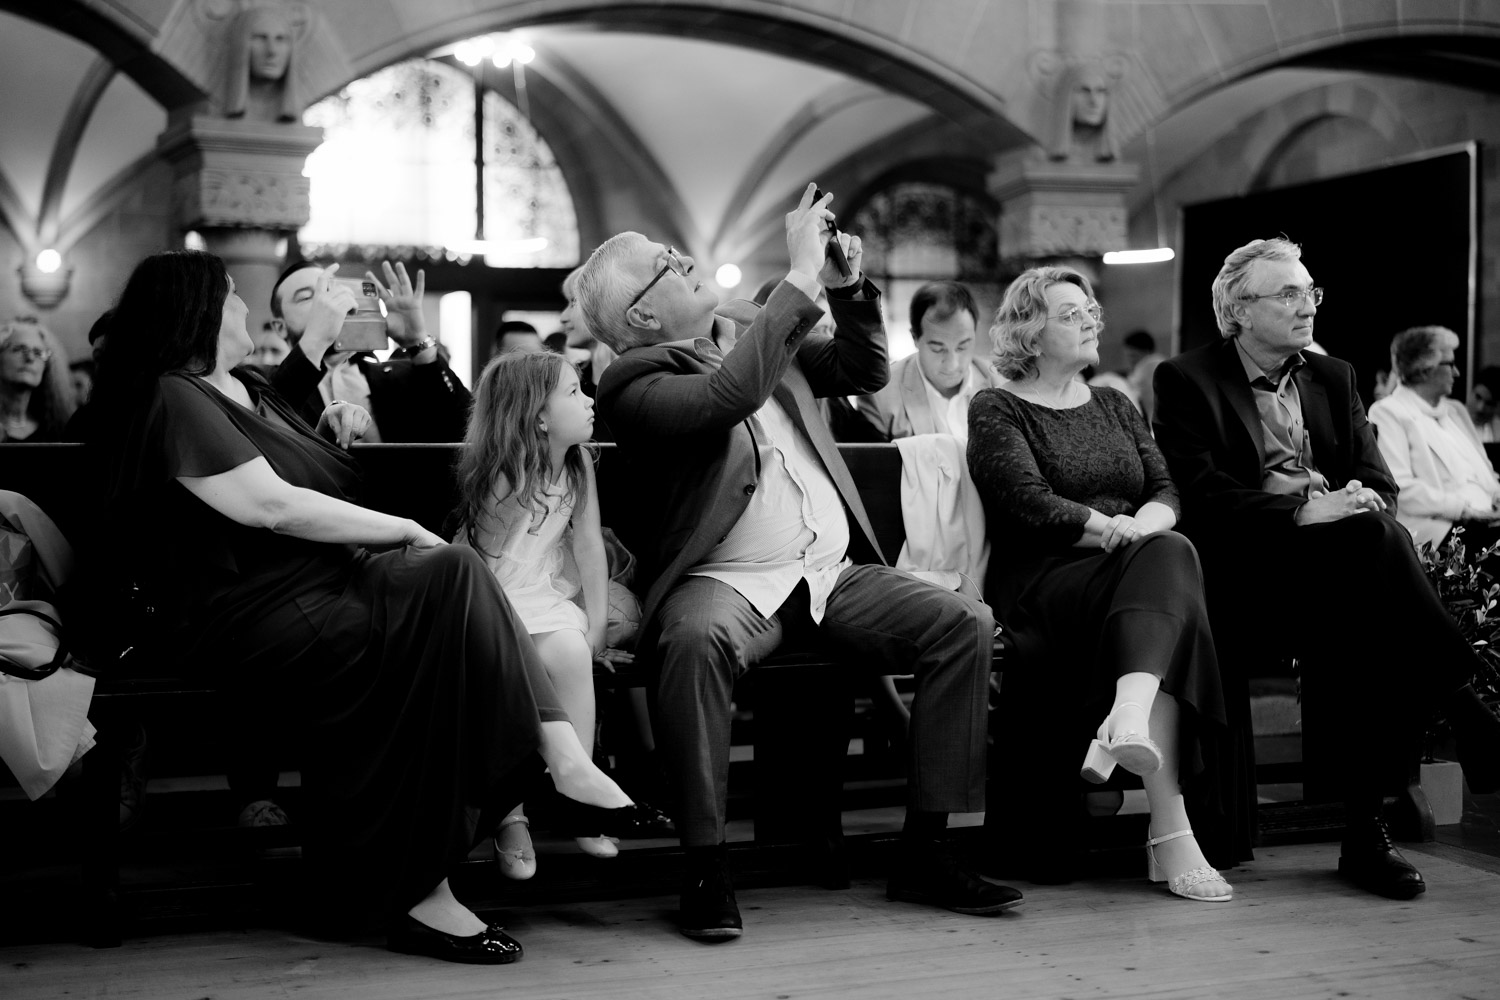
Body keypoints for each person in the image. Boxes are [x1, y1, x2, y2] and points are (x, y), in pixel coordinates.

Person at [86, 249, 658, 963]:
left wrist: (327, 430)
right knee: (434, 630)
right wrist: (403, 529)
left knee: (455, 573)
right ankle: (437, 879)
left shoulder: (248, 388)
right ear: (196, 311)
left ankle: (560, 760)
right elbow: (267, 505)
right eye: (231, 294)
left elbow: (289, 471)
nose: (241, 305)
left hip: (325, 583)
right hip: (256, 608)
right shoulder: (176, 393)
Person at [576, 183, 1018, 942]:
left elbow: (863, 368)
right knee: (689, 642)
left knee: (964, 623)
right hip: (727, 581)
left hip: (828, 572)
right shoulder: (633, 379)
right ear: (642, 316)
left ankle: (928, 848)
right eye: (665, 262)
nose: (684, 258)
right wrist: (800, 274)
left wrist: (844, 285)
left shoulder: (753, 319)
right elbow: (727, 394)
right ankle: (706, 867)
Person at [1152, 237, 1500, 899]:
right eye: (1286, 293)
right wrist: (1303, 512)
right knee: (1372, 560)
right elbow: (1198, 493)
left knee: (1369, 585)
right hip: (1247, 575)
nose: (1306, 304)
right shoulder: (1186, 378)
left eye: (1309, 290)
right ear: (1239, 310)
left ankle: (1371, 831)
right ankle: (1451, 721)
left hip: (1341, 570)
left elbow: (1378, 480)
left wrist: (1354, 503)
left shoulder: (1333, 375)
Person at [967, 266, 1237, 900]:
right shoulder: (997, 405)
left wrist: (1141, 527)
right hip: (1048, 578)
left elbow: (1165, 488)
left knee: (1167, 557)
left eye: (1091, 309)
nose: (1091, 319)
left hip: (1133, 569)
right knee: (1169, 572)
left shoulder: (1115, 402)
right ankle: (1167, 822)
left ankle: (1131, 721)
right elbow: (1028, 504)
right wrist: (1117, 529)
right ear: (1031, 335)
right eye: (1071, 313)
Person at [453, 350, 642, 874]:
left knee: (571, 653)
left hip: (540, 590)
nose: (589, 401)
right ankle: (509, 815)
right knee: (508, 678)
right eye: (574, 393)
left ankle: (580, 799)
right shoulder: (503, 475)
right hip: (490, 598)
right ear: (538, 416)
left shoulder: (578, 461)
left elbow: (587, 546)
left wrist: (598, 627)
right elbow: (483, 567)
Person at [270, 260, 471, 442]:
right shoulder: (263, 383)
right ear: (279, 326)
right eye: (306, 297)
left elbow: (467, 427)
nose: (325, 303)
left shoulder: (399, 377)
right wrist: (316, 337)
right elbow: (269, 426)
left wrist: (417, 342)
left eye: (329, 292)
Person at [1368, 326, 1500, 551]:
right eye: (1449, 364)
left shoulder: (1455, 411)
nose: (1457, 372)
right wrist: (1463, 510)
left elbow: (1486, 473)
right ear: (1424, 369)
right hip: (1441, 531)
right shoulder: (1389, 412)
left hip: (1486, 522)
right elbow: (1400, 489)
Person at [856, 280, 999, 442]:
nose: (952, 364)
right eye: (938, 349)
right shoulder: (881, 396)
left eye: (962, 347)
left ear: (975, 332)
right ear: (915, 338)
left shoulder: (1003, 384)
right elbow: (871, 464)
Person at [1, 318, 75, 442]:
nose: (30, 358)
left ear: (46, 367)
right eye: (19, 349)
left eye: (38, 352)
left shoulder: (58, 428)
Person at [1468, 366, 1500, 443]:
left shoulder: (1498, 430)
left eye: (1489, 404)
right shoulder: (1450, 422)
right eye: (1478, 397)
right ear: (1471, 391)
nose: (1480, 408)